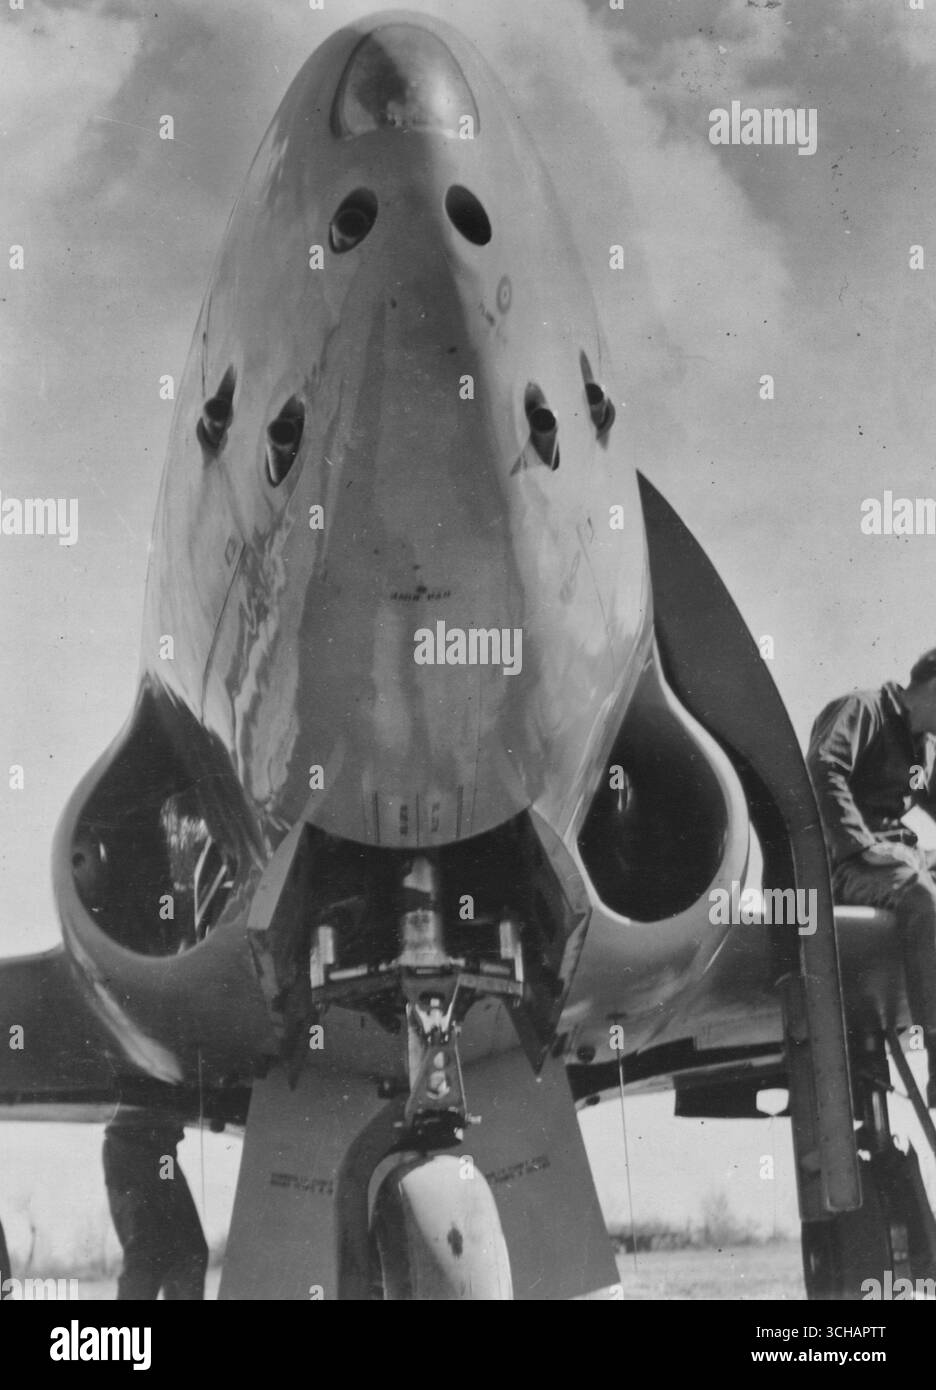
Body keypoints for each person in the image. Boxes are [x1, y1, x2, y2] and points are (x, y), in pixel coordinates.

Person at [807, 649, 936, 1107]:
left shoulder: (922, 744)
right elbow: (825, 766)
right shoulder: (864, 709)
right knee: (923, 899)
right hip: (848, 863)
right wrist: (860, 844)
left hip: (898, 854)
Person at [103, 1104, 208, 1300]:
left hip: (161, 1150)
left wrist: (166, 1178)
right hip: (133, 1146)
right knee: (149, 1250)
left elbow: (165, 1170)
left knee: (189, 1252)